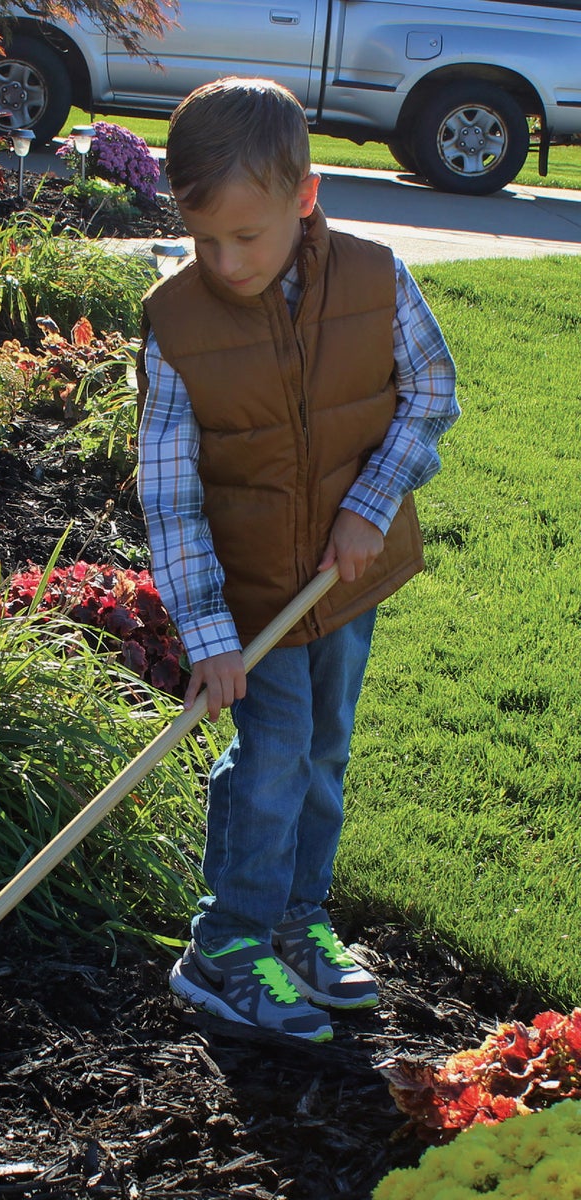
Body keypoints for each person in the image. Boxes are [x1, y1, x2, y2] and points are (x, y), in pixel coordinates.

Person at [136, 78, 459, 1042]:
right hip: (249, 600)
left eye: (248, 236)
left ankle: (296, 917)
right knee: (272, 757)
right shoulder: (176, 326)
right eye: (205, 240)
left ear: (306, 197)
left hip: (342, 581)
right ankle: (225, 944)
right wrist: (207, 636)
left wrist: (371, 504)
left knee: (324, 751)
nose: (226, 263)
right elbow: (170, 493)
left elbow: (430, 390)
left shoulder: (376, 277)